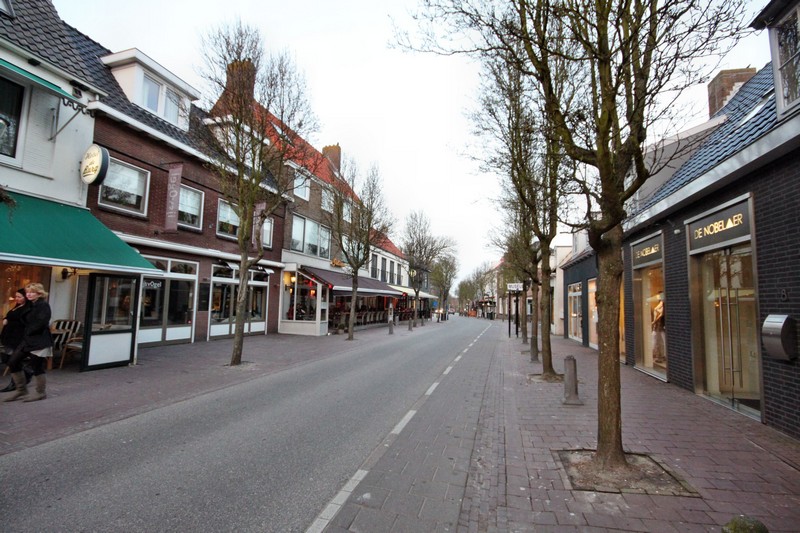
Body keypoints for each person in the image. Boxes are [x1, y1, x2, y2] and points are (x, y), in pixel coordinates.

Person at [3, 283, 53, 402]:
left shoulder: (43, 305)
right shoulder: (30, 304)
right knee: (13, 361)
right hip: (27, 340)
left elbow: (41, 322)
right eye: (27, 292)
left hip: (39, 340)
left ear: (39, 293)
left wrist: (28, 331)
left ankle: (40, 392)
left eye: (32, 292)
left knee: (37, 366)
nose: (29, 294)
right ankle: (21, 390)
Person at [1, 288, 31, 392]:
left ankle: (15, 383)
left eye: (19, 297)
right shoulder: (17, 306)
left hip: (17, 337)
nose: (16, 298)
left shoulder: (27, 309)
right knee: (6, 358)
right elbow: (10, 316)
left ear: (25, 297)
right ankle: (26, 371)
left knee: (13, 359)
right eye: (16, 296)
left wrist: (9, 322)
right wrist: (6, 319)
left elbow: (23, 322)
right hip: (8, 336)